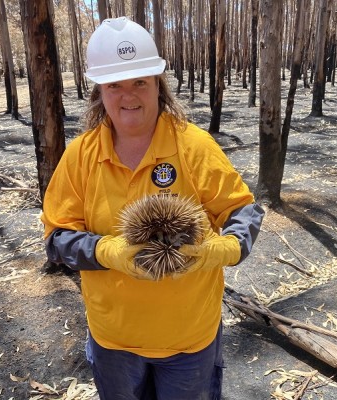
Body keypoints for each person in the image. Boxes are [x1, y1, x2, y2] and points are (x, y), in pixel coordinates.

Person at [41, 17, 265, 400]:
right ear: (100, 91)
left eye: (140, 82)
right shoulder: (80, 155)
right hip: (114, 339)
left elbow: (243, 211)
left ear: (157, 85)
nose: (129, 96)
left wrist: (227, 247)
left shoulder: (193, 146)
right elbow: (57, 238)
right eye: (115, 85)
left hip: (189, 338)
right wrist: (106, 251)